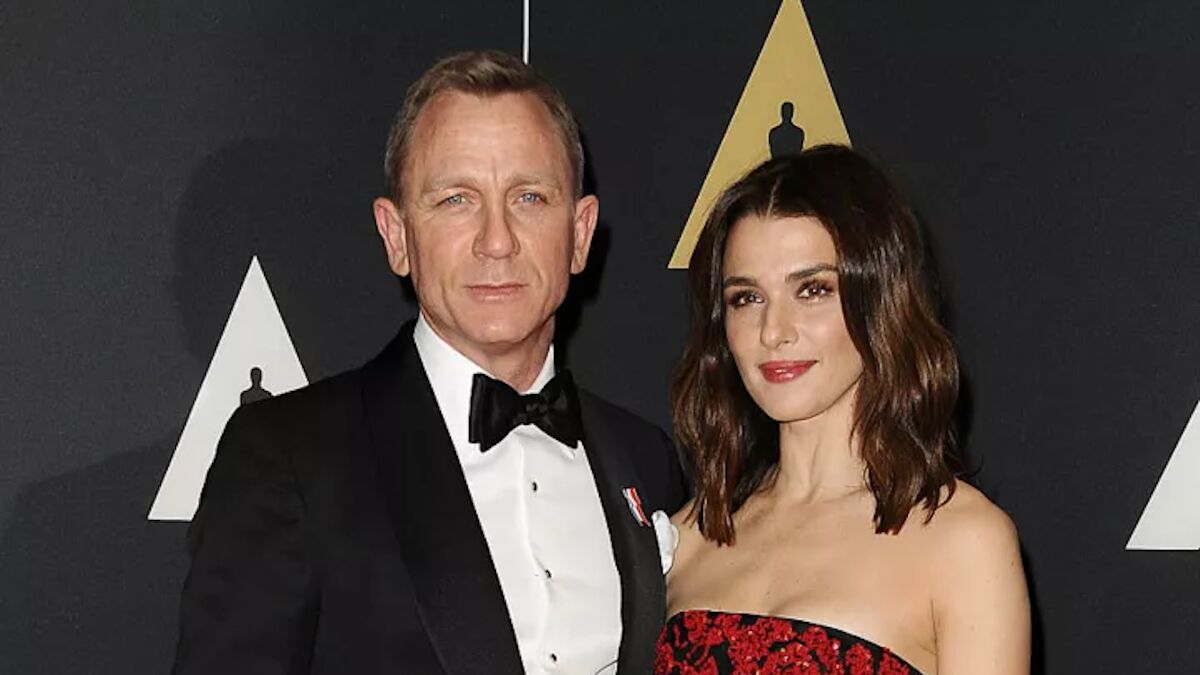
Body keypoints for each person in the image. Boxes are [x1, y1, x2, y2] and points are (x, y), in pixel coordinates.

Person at [173, 50, 686, 675]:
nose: (497, 241)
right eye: (455, 200)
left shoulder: (645, 458)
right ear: (397, 236)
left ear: (579, 234)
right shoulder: (290, 458)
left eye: (529, 197)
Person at [658, 146, 1030, 674]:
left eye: (813, 290)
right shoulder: (688, 539)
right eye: (746, 298)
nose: (774, 331)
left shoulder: (964, 544)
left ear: (878, 301)